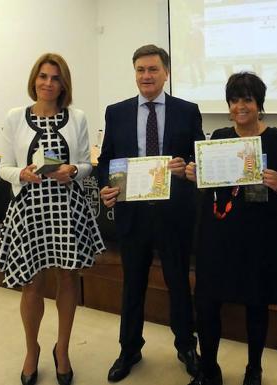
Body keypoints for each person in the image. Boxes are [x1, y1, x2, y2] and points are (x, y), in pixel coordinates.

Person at [0, 52, 105, 385]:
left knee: (68, 280)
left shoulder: (77, 117)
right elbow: (4, 167)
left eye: (55, 78)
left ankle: (63, 350)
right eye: (43, 76)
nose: (48, 83)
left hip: (67, 209)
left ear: (63, 83)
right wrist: (22, 174)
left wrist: (72, 170)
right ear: (34, 80)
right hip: (30, 210)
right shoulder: (15, 117)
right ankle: (32, 350)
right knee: (32, 284)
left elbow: (85, 163)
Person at [97, 44, 204, 382]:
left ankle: (187, 346)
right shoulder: (116, 112)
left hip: (174, 214)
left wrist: (186, 166)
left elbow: (198, 157)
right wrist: (106, 187)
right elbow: (106, 161)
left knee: (178, 283)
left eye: (153, 69)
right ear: (135, 73)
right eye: (141, 70)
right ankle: (129, 348)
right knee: (133, 286)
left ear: (166, 73)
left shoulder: (188, 111)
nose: (146, 76)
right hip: (134, 215)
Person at [185, 72, 277, 385]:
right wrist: (196, 174)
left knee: (256, 304)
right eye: (234, 100)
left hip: (258, 236)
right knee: (206, 304)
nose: (240, 106)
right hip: (218, 233)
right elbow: (212, 186)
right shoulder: (219, 136)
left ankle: (253, 369)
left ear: (259, 103)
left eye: (246, 99)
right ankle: (210, 370)